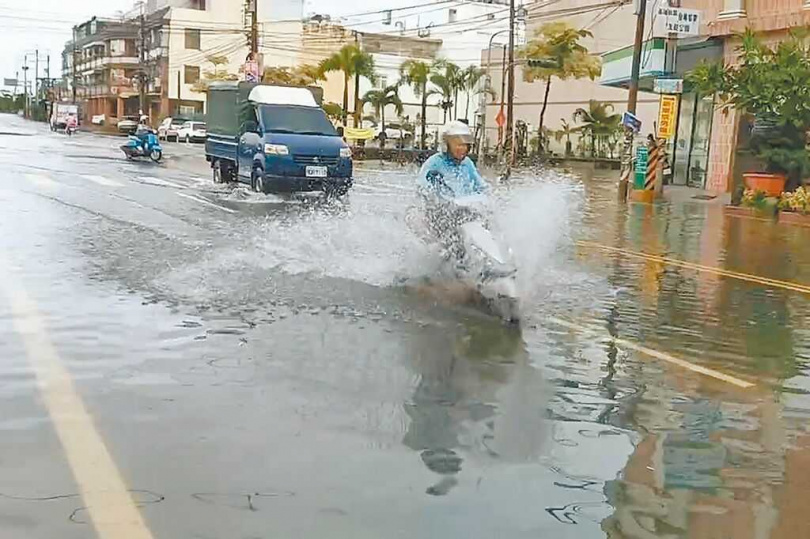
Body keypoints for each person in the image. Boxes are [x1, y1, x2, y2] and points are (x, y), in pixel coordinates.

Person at [417, 121, 487, 199]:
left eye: (465, 145)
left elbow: (481, 187)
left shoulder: (467, 163)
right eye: (458, 144)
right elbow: (422, 188)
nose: (463, 148)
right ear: (446, 145)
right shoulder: (434, 163)